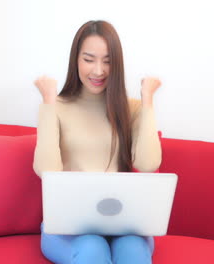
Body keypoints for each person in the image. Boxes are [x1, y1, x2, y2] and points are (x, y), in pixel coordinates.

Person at [33, 20, 162, 264]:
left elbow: (148, 164)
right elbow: (47, 171)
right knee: (92, 247)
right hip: (67, 228)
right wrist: (48, 102)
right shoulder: (56, 107)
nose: (98, 71)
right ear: (76, 60)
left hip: (123, 225)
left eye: (108, 61)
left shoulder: (130, 108)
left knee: (133, 249)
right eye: (89, 59)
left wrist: (147, 101)